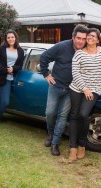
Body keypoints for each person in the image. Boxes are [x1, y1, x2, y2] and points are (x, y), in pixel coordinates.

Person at [68, 28, 101, 161]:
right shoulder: (79, 54)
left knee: (83, 114)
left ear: (98, 39)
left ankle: (82, 145)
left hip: (95, 89)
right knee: (74, 116)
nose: (90, 38)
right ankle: (72, 148)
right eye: (89, 36)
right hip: (77, 88)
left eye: (93, 36)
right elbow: (76, 73)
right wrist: (84, 88)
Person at [40, 24, 89, 156]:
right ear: (73, 37)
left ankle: (55, 143)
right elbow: (44, 57)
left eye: (83, 39)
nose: (80, 41)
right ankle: (50, 135)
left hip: (71, 89)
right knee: (50, 113)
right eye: (78, 38)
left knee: (62, 116)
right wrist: (46, 74)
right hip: (55, 86)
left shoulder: (86, 51)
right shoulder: (62, 46)